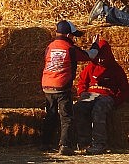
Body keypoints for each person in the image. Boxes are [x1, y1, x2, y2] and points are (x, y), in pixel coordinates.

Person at [41, 20, 99, 156]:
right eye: (73, 36)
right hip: (62, 86)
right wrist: (96, 44)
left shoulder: (50, 47)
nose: (74, 38)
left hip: (47, 85)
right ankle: (65, 145)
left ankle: (45, 143)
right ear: (68, 35)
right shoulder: (70, 48)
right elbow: (90, 56)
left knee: (50, 115)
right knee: (66, 116)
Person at [74, 38, 129, 155]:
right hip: (90, 94)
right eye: (98, 57)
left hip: (106, 96)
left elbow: (124, 90)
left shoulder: (116, 69)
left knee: (98, 110)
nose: (100, 60)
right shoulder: (91, 66)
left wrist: (115, 101)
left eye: (102, 58)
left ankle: (99, 143)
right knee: (79, 107)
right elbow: (82, 82)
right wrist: (82, 93)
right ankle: (83, 141)